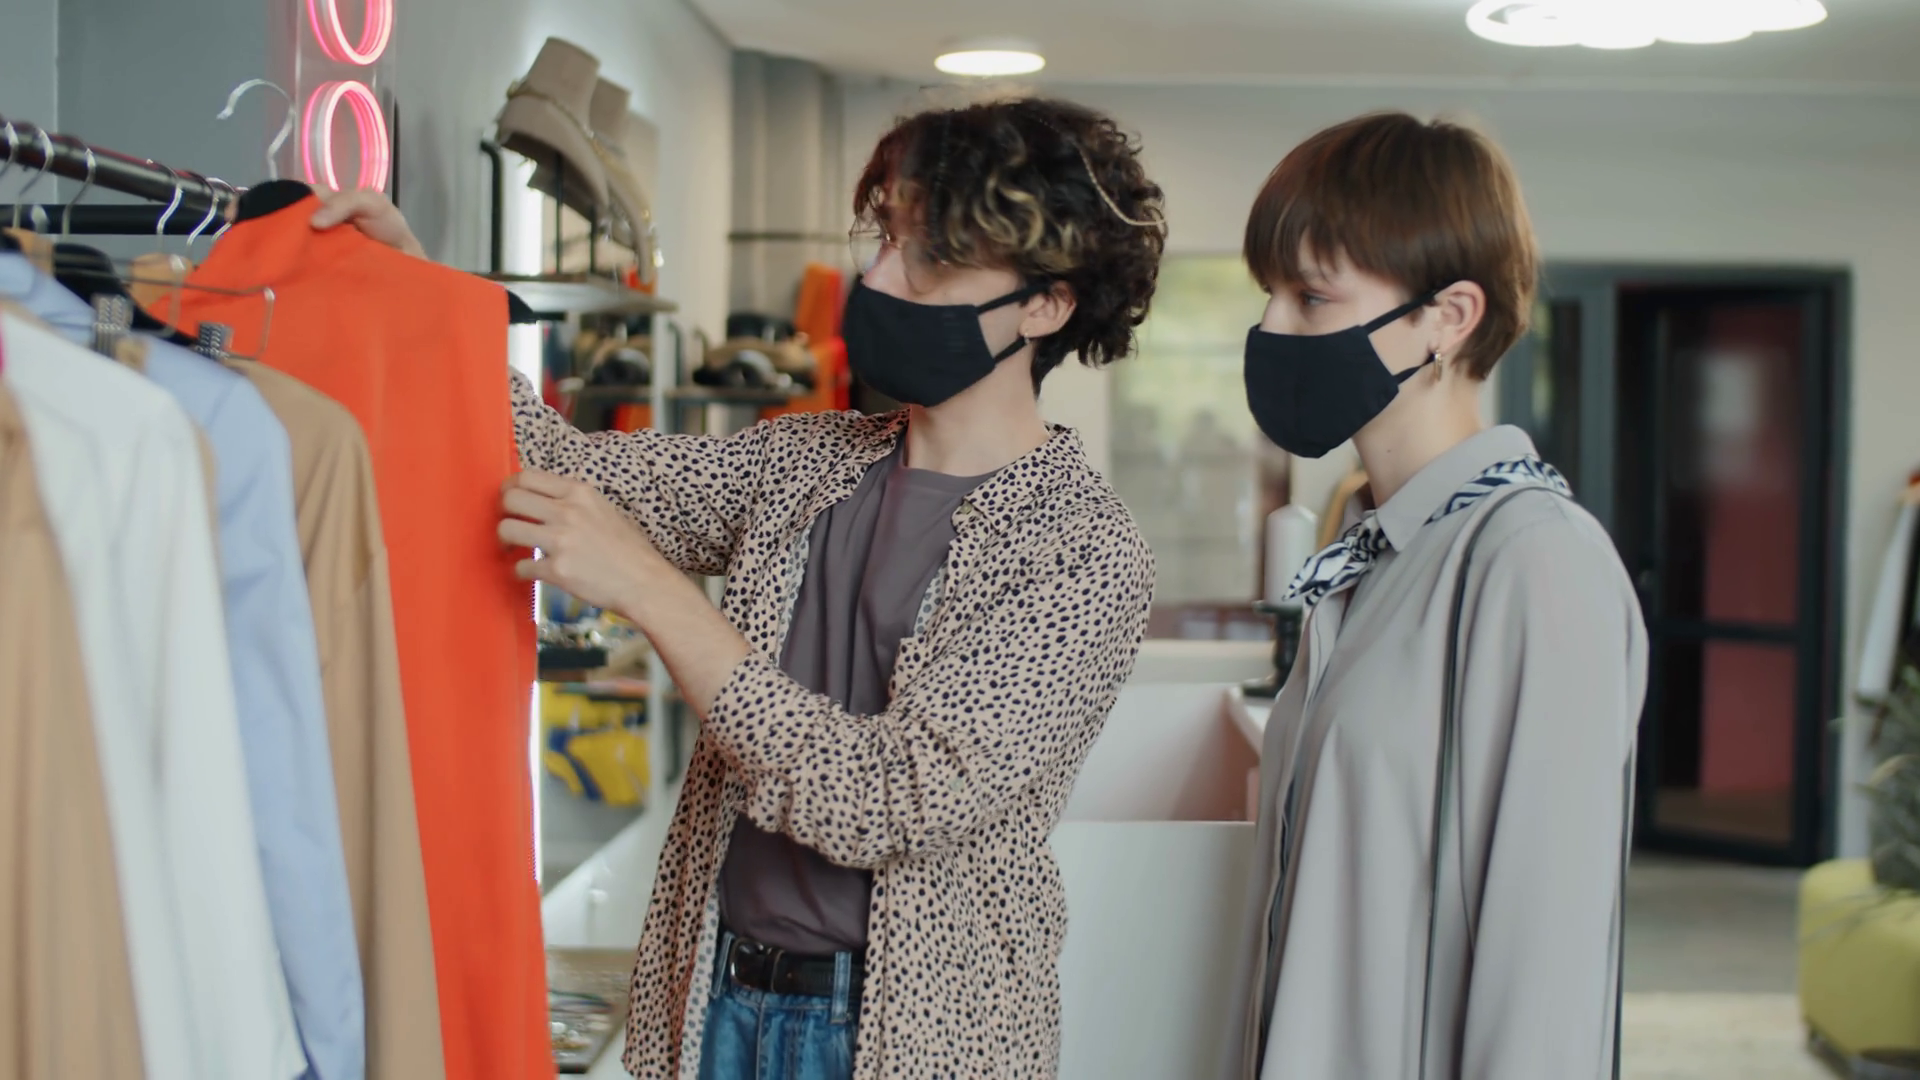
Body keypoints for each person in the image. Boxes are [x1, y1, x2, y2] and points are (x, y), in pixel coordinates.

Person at [315, 95, 1164, 1079]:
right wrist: (425, 300)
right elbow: (555, 465)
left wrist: (656, 594)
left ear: (1047, 304)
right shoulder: (804, 462)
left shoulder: (1084, 550)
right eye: (885, 239)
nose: (876, 277)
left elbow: (891, 798)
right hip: (717, 999)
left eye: (929, 257)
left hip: (915, 1040)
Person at [1231, 111, 1649, 1079]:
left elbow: (1547, 977)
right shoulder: (1373, 553)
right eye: (1269, 297)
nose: (1272, 330)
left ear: (1450, 316)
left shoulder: (1536, 563)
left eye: (1311, 297)